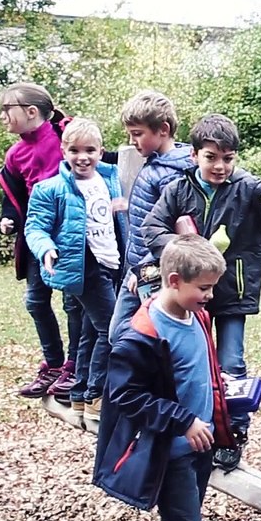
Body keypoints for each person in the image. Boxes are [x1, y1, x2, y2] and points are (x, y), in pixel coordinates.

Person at [141, 115, 261, 471]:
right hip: (188, 298)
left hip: (232, 294)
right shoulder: (178, 189)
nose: (220, 165)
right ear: (195, 155)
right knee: (189, 363)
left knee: (231, 365)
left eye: (228, 158)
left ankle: (233, 435)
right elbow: (151, 228)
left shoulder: (246, 188)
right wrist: (188, 247)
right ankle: (192, 428)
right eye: (211, 156)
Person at [94, 234, 233, 521]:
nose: (210, 296)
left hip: (200, 444)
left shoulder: (197, 315)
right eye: (203, 288)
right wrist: (183, 420)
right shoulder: (141, 334)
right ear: (174, 281)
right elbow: (125, 395)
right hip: (170, 451)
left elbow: (197, 371)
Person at [24, 118, 126, 420]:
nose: (83, 157)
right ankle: (96, 395)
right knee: (113, 330)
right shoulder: (50, 189)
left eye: (90, 150)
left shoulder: (109, 179)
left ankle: (80, 393)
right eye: (75, 150)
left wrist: (119, 207)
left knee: (89, 333)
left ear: (101, 152)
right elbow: (35, 228)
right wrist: (46, 249)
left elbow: (104, 218)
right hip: (82, 266)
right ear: (63, 150)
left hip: (110, 262)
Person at [0, 82, 84, 400]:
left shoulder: (66, 133)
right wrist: (9, 219)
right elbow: (14, 195)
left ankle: (74, 366)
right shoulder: (15, 153)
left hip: (74, 233)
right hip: (38, 236)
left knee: (74, 301)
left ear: (31, 111)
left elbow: (98, 159)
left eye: (8, 109)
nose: (2, 116)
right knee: (36, 301)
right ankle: (54, 365)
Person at [109, 90, 193, 346]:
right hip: (136, 267)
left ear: (163, 130)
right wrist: (129, 204)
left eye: (137, 134)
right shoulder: (156, 164)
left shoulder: (172, 174)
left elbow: (173, 231)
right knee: (129, 334)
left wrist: (145, 271)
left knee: (129, 335)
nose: (132, 141)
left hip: (151, 271)